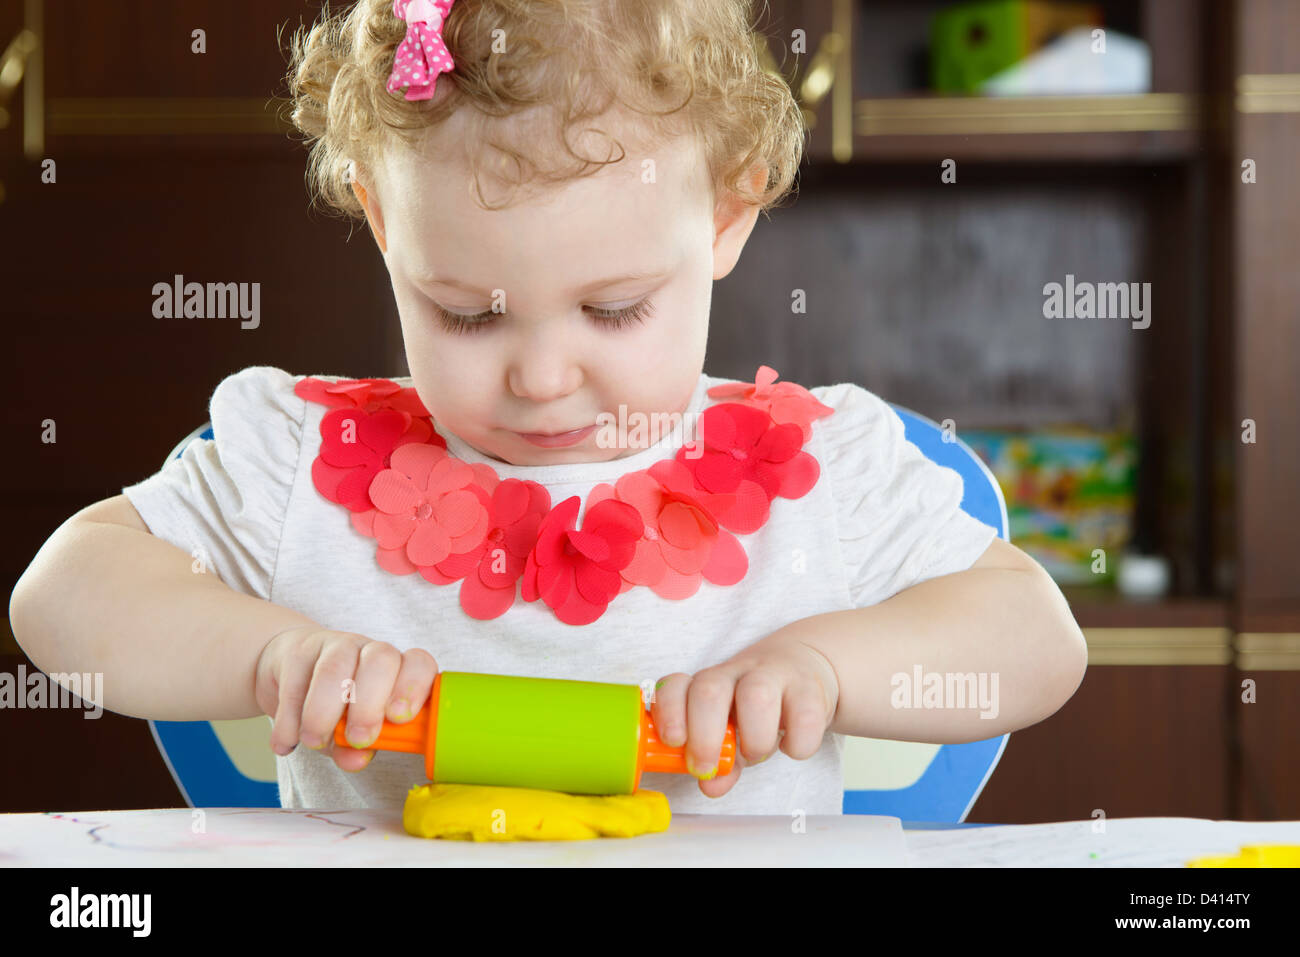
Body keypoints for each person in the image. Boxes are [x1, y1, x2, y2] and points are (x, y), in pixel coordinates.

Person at [10, 0, 1086, 814]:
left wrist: (823, 669)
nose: (539, 377)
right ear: (386, 227)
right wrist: (267, 656)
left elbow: (1035, 639)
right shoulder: (305, 463)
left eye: (612, 309)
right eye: (466, 315)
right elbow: (63, 593)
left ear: (726, 214)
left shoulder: (823, 480)